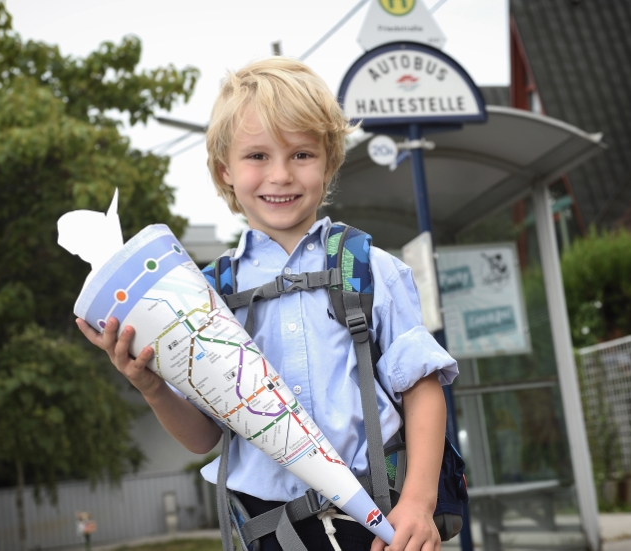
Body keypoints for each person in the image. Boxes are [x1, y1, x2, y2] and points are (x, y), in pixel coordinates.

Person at [77, 57, 458, 551]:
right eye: (257, 156)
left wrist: (419, 501)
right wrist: (151, 385)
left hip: (381, 522)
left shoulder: (369, 267)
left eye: (301, 154)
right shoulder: (204, 294)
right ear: (225, 171)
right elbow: (205, 438)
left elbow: (422, 386)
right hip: (268, 534)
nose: (280, 175)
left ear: (329, 161)